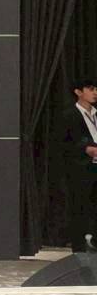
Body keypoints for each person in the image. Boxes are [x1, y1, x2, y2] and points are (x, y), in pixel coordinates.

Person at [61, 79, 97, 252]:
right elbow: (65, 142)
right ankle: (79, 248)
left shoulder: (96, 114)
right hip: (81, 168)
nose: (95, 92)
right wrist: (86, 149)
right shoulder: (69, 115)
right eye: (90, 89)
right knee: (79, 207)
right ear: (78, 92)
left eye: (96, 89)